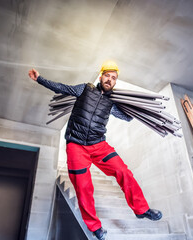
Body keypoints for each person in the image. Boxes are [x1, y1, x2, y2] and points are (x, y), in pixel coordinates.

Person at [28, 61, 162, 240]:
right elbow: (62, 87)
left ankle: (141, 209)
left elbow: (127, 118)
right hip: (76, 145)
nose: (110, 79)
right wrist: (40, 79)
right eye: (107, 75)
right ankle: (95, 226)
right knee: (83, 186)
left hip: (98, 144)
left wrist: (136, 108)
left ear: (115, 82)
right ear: (101, 75)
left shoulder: (112, 102)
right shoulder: (84, 89)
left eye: (114, 78)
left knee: (123, 171)